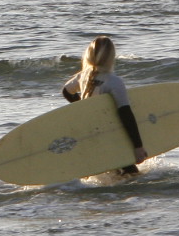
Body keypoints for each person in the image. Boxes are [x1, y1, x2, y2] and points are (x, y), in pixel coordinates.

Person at [62, 35, 146, 178]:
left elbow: (66, 91)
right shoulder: (114, 81)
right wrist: (138, 147)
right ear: (111, 57)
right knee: (132, 176)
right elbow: (125, 113)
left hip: (90, 133)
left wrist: (82, 107)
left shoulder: (83, 76)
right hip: (110, 134)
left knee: (113, 172)